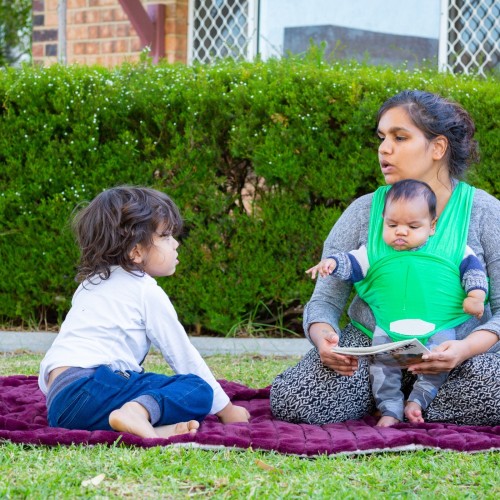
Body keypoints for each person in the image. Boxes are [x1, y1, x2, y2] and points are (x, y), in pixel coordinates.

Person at [270, 90, 500, 427]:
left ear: (437, 148)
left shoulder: (485, 212)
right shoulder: (364, 212)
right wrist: (324, 340)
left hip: (459, 352)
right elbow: (325, 302)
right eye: (382, 137)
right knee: (294, 401)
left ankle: (403, 404)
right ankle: (394, 400)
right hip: (374, 345)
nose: (384, 148)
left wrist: (463, 351)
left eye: (399, 137)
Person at [39, 186, 249, 439]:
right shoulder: (144, 290)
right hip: (93, 386)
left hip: (60, 406)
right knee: (196, 388)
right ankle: (135, 412)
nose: (176, 243)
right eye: (166, 236)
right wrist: (227, 410)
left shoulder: (90, 284)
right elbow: (182, 356)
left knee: (146, 386)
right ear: (136, 251)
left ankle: (152, 428)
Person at [306, 179, 487, 426]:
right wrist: (333, 264)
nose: (401, 231)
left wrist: (475, 295)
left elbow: (473, 270)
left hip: (441, 328)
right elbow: (352, 263)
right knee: (381, 366)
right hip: (389, 329)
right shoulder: (373, 250)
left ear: (432, 226)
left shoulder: (452, 247)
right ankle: (389, 408)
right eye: (392, 224)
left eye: (413, 226)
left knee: (438, 362)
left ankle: (417, 401)